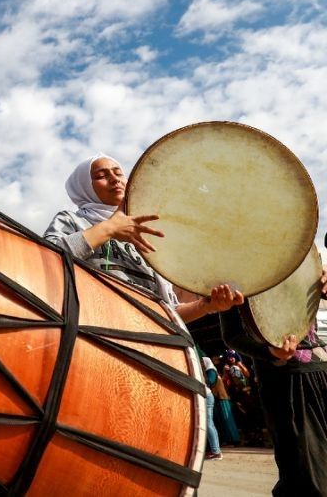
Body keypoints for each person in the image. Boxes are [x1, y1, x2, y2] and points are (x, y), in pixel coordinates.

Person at [43, 154, 243, 321]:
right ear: (84, 186)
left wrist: (206, 305)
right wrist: (109, 228)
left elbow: (167, 311)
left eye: (118, 173)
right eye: (101, 175)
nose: (115, 179)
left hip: (152, 342)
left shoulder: (147, 231)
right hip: (96, 332)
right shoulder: (72, 220)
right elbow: (45, 257)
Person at [219, 270, 327, 496]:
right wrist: (270, 352)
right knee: (306, 477)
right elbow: (232, 335)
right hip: (287, 378)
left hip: (322, 367)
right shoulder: (230, 266)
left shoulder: (302, 257)